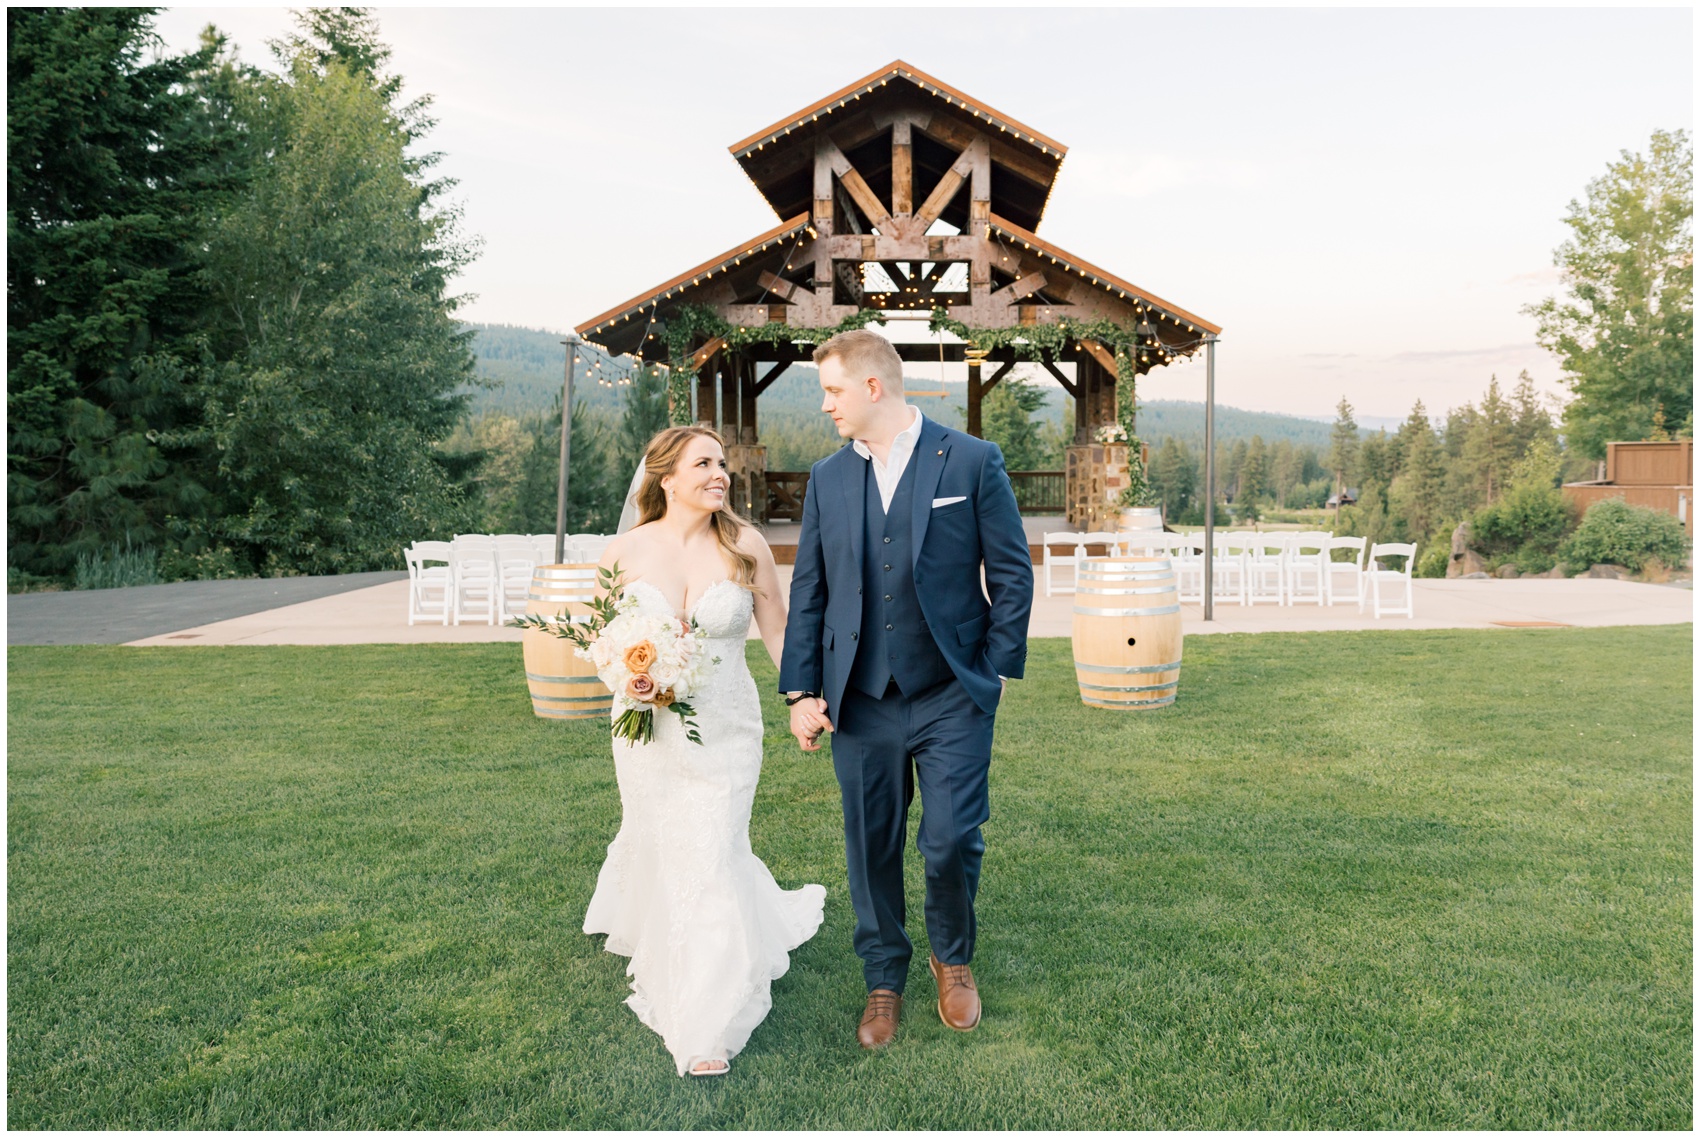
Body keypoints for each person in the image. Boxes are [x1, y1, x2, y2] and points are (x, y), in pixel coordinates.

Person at [779, 329, 1034, 1049]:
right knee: (871, 844)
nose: (825, 404)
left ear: (871, 387)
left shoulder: (973, 461)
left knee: (950, 838)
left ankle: (952, 958)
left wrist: (998, 667)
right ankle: (883, 978)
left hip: (951, 692)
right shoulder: (828, 479)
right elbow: (811, 590)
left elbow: (1012, 573)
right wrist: (803, 691)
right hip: (860, 698)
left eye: (831, 390)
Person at [583, 425, 829, 1077]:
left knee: (715, 851)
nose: (720, 473)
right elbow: (601, 642)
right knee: (669, 848)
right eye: (704, 463)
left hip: (727, 728)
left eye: (723, 463)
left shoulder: (745, 544)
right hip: (647, 732)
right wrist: (627, 677)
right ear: (666, 478)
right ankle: (680, 961)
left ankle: (705, 1028)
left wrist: (800, 698)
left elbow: (778, 630)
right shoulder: (621, 553)